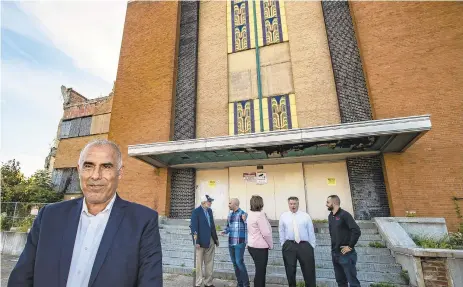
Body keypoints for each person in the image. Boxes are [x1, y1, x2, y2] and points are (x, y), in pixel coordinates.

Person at [8, 139, 163, 287]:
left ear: (120, 173)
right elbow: (21, 278)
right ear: (79, 170)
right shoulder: (49, 216)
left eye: (106, 167)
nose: (95, 175)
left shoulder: (142, 222)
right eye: (88, 166)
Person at [279, 196, 317, 287]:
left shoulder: (305, 216)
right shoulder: (284, 216)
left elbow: (310, 231)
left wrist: (312, 245)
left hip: (304, 245)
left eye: (295, 203)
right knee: (290, 271)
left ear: (298, 204)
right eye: (291, 204)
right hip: (289, 245)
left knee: (309, 270)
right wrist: (283, 243)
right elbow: (281, 230)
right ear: (288, 204)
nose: (293, 206)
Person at [326, 195, 361, 287]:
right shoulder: (330, 216)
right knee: (340, 281)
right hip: (335, 253)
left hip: (346, 254)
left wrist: (350, 246)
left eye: (328, 202)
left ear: (334, 203)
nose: (326, 204)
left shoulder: (344, 215)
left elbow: (356, 230)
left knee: (353, 282)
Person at [190, 194, 219, 287]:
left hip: (210, 240)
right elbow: (194, 227)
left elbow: (212, 226)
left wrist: (216, 239)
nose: (210, 203)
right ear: (203, 202)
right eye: (209, 201)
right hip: (200, 241)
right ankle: (198, 283)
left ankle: (208, 282)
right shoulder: (196, 212)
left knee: (209, 262)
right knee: (199, 264)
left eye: (210, 201)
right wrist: (196, 241)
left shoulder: (210, 211)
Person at [220, 198, 250, 287]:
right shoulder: (229, 215)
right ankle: (240, 284)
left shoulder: (243, 214)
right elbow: (228, 227)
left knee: (239, 263)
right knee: (235, 264)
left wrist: (245, 219)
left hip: (240, 242)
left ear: (235, 204)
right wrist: (224, 231)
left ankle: (246, 284)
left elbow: (248, 225)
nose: (228, 204)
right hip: (231, 243)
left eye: (230, 203)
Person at [247, 195, 273, 287]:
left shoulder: (250, 213)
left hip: (251, 246)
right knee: (261, 272)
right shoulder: (260, 215)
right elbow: (266, 233)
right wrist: (270, 245)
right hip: (260, 247)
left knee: (259, 270)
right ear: (261, 203)